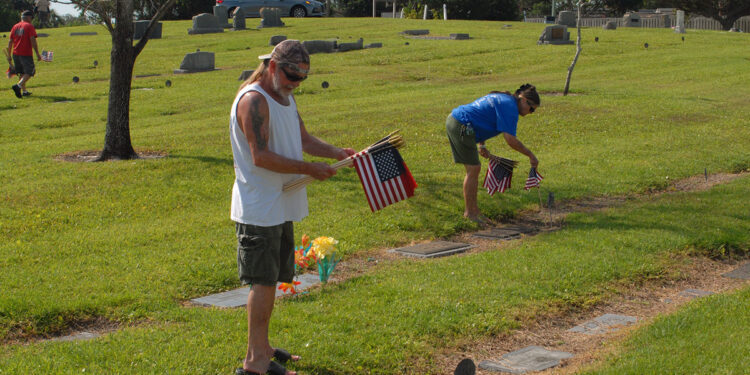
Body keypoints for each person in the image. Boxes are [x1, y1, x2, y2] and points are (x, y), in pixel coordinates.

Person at [229, 40, 355, 375]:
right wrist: (309, 168)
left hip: (280, 202)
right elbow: (260, 156)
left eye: (301, 79)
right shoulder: (254, 100)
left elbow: (303, 139)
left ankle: (264, 348)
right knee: (263, 282)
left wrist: (337, 153)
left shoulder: (284, 96)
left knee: (273, 279)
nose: (294, 83)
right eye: (290, 76)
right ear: (272, 66)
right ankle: (254, 363)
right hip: (259, 206)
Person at [446, 84, 540, 224]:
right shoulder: (510, 107)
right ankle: (470, 213)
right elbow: (510, 140)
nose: (530, 112)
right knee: (473, 169)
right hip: (462, 124)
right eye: (531, 109)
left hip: (458, 120)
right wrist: (530, 155)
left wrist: (482, 144)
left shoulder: (505, 99)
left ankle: (474, 211)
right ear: (524, 100)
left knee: (474, 168)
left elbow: (483, 116)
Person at [8, 10, 41, 99]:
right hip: (25, 53)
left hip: (15, 53)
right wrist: (37, 53)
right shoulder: (29, 26)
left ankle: (24, 91)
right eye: (31, 17)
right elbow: (32, 40)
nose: (32, 19)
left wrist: (9, 55)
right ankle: (18, 86)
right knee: (30, 71)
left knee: (21, 72)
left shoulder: (15, 26)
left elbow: (10, 41)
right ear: (28, 17)